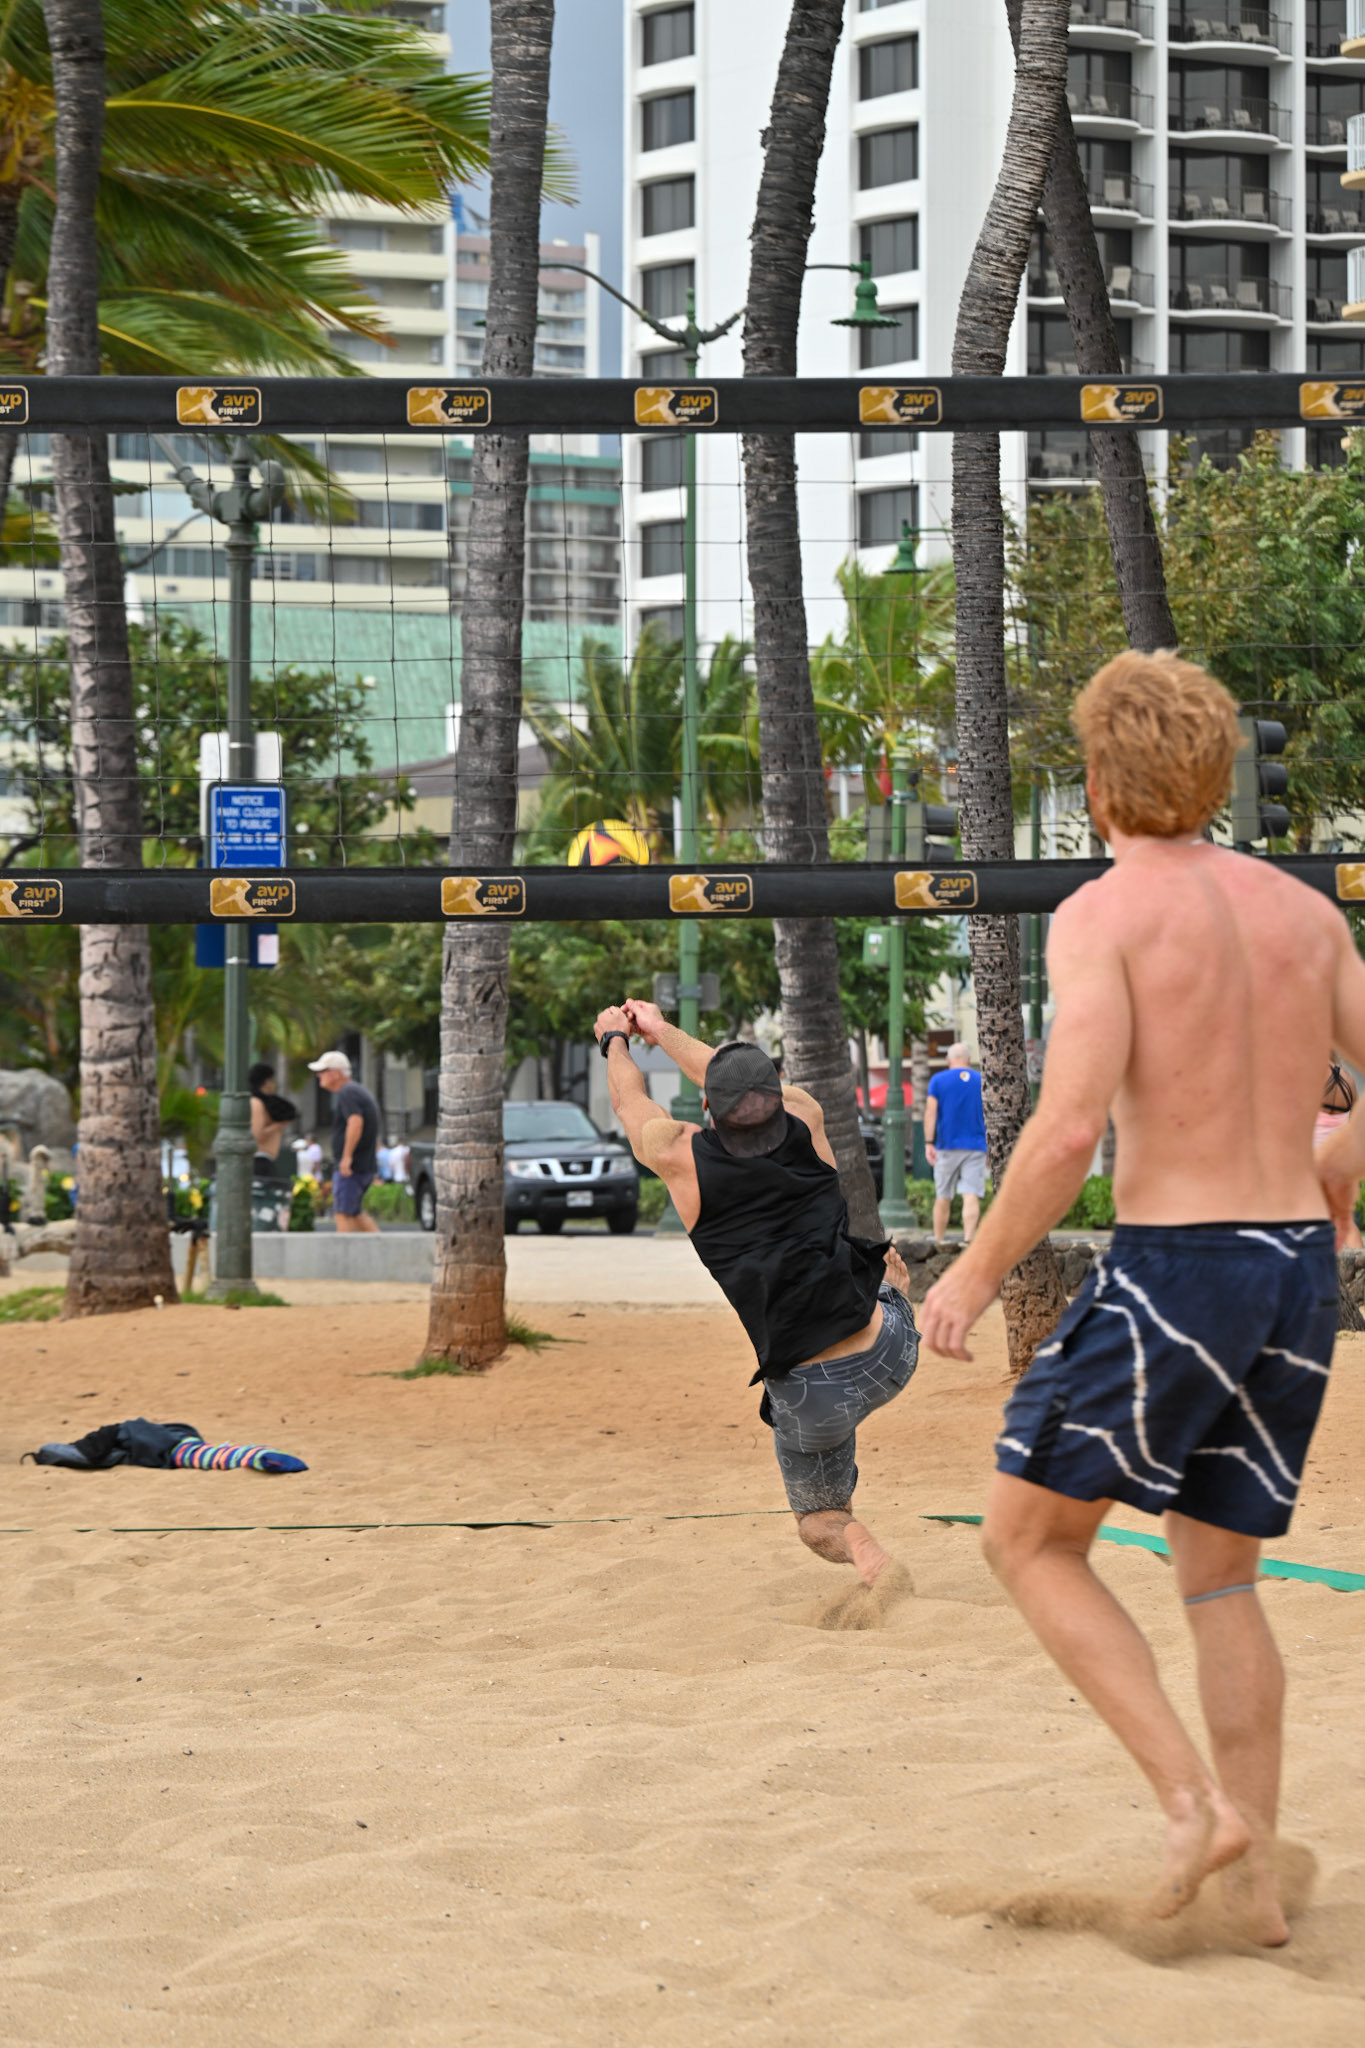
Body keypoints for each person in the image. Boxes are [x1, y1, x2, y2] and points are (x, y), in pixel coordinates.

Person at [918, 650, 1365, 1946]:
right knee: (1218, 1576)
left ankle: (1194, 1810)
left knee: (1026, 1538)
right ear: (1219, 775)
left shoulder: (1102, 914)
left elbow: (1063, 1134)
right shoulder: (1306, 914)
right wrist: (1337, 1167)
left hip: (1181, 1266)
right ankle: (1250, 1899)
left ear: (1099, 782)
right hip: (1293, 1269)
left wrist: (973, 1270)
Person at [595, 999, 918, 1590]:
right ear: (775, 1094)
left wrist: (617, 1038)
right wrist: (662, 1029)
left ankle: (863, 1551)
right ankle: (895, 1293)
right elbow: (737, 1077)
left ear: (709, 1107)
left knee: (818, 1520)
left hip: (809, 1389)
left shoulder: (680, 1157)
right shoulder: (805, 1114)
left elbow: (628, 1103)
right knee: (880, 1279)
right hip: (892, 1352)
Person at [307, 1051, 381, 1235]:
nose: (319, 1076)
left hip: (353, 1166)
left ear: (336, 1073)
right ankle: (384, 1256)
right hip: (362, 1164)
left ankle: (346, 1260)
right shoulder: (354, 1091)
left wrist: (346, 1158)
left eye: (323, 1071)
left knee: (343, 1213)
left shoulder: (347, 1092)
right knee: (354, 1213)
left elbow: (356, 1122)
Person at [924, 1042, 988, 1243]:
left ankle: (939, 1240)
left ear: (948, 1060)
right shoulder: (981, 1080)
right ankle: (969, 1241)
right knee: (971, 1195)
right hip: (977, 1145)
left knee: (943, 1195)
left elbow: (931, 1112)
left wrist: (928, 1142)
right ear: (969, 1060)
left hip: (947, 1146)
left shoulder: (938, 1081)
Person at [1314, 1060, 1361, 1250]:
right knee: (1348, 1225)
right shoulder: (1348, 1080)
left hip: (1311, 1167)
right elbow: (1356, 1125)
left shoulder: (1311, 1077)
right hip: (1337, 1167)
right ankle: (1360, 1269)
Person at [249, 1062, 297, 1182]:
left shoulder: (263, 1102)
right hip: (259, 1160)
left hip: (265, 1160)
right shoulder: (256, 1103)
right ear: (267, 1081)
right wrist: (280, 1124)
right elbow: (257, 1135)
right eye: (272, 1080)